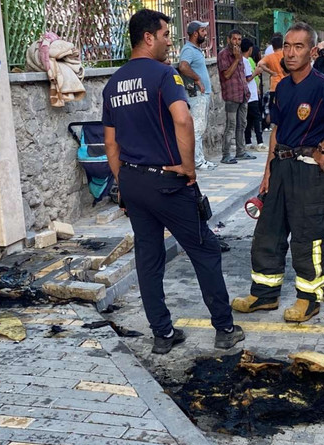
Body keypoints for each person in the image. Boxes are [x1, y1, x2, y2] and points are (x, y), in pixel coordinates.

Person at [102, 9, 244, 354]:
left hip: (133, 182)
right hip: (168, 180)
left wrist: (125, 182)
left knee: (148, 258)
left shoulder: (113, 84)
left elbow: (110, 143)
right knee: (205, 249)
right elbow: (183, 120)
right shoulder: (165, 76)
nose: (169, 42)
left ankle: (162, 335)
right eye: (166, 35)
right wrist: (188, 167)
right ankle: (225, 329)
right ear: (148, 37)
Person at [231, 22, 324, 323]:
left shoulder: (321, 84)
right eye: (287, 46)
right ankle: (264, 295)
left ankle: (309, 299)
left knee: (307, 237)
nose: (290, 53)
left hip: (307, 172)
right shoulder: (283, 86)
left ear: (312, 51)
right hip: (281, 168)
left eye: (298, 47)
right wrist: (267, 171)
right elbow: (277, 129)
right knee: (268, 233)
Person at [178, 21, 217, 171]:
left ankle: (200, 160)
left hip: (201, 95)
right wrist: (197, 79)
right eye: (203, 30)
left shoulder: (195, 50)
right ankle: (198, 162)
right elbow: (183, 66)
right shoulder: (188, 50)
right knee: (197, 130)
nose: (205, 33)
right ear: (195, 33)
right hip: (196, 95)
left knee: (199, 129)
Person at [218, 29, 256, 164]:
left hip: (242, 94)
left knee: (242, 124)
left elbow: (241, 74)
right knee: (231, 125)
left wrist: (246, 90)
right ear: (228, 40)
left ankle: (241, 151)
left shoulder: (239, 54)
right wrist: (236, 59)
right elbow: (226, 75)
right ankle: (226, 154)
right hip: (231, 95)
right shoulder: (224, 55)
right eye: (234, 39)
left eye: (239, 39)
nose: (237, 42)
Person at [258, 34, 286, 131]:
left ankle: (274, 124)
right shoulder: (285, 54)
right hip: (285, 82)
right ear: (282, 45)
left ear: (272, 46)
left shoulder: (270, 57)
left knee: (273, 105)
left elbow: (260, 64)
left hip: (274, 84)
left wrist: (270, 71)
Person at [242, 39, 266, 151]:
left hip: (249, 94)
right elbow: (248, 78)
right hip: (250, 95)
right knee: (256, 119)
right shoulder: (246, 61)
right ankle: (260, 142)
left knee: (249, 119)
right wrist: (256, 72)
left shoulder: (243, 60)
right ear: (250, 49)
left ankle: (248, 141)